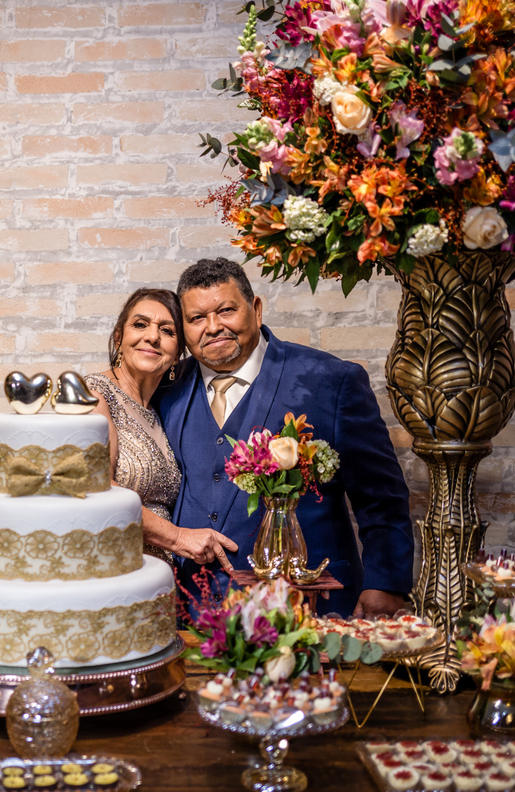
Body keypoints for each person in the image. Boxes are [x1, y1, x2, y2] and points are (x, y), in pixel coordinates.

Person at [156, 258, 414, 617]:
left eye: (227, 310)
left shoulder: (331, 382)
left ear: (256, 309)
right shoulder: (166, 387)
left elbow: (381, 498)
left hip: (309, 608)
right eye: (197, 318)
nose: (213, 327)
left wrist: (385, 584)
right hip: (192, 614)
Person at [85, 288, 239, 571]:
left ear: (178, 352)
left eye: (167, 331)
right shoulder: (94, 396)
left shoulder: (161, 410)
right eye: (140, 324)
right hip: (108, 570)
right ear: (119, 337)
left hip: (159, 580)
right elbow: (94, 490)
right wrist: (179, 537)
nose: (152, 337)